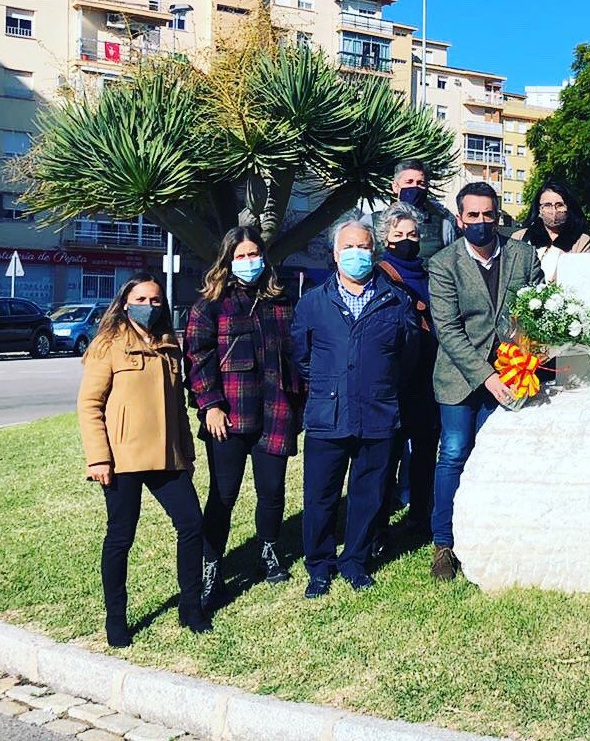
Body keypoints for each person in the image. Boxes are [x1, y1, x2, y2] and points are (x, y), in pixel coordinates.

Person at [290, 216, 418, 597]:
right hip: (327, 415)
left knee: (369, 493)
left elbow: (407, 355)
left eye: (363, 247)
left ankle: (356, 560)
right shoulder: (313, 302)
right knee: (320, 495)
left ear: (374, 252)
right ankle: (319, 565)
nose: (356, 254)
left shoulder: (396, 300)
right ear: (334, 254)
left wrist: (378, 383)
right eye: (348, 247)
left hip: (378, 411)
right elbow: (302, 355)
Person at [77, 274, 205, 646]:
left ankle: (191, 607)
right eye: (141, 298)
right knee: (121, 537)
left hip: (167, 458)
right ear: (125, 301)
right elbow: (89, 405)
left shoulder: (169, 346)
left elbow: (178, 409)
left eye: (155, 300)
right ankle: (116, 620)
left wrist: (186, 453)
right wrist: (98, 458)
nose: (149, 306)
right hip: (121, 460)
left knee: (191, 525)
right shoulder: (108, 345)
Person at [427, 182, 543, 581]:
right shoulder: (444, 264)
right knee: (455, 454)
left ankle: (489, 534)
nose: (480, 222)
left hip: (513, 375)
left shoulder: (524, 256)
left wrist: (524, 362)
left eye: (487, 214)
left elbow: (538, 312)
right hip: (461, 378)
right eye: (472, 215)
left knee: (496, 458)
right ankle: (444, 543)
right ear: (460, 219)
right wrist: (488, 377)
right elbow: (447, 329)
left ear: (498, 216)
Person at [184, 227, 303, 607]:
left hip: (275, 410)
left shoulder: (282, 300)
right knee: (223, 495)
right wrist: (211, 404)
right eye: (241, 256)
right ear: (227, 260)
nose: (249, 262)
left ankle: (268, 552)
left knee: (272, 492)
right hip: (230, 415)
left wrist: (298, 402)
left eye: (255, 254)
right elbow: (197, 358)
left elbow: (298, 355)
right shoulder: (210, 305)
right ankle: (211, 565)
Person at [374, 201, 440, 541]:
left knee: (426, 452)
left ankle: (419, 516)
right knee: (388, 455)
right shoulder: (379, 275)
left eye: (412, 234)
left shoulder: (428, 273)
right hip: (394, 380)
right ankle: (380, 524)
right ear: (386, 238)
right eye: (398, 234)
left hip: (428, 378)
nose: (406, 240)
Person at [365, 160, 456, 260]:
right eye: (409, 182)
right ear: (395, 187)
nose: (414, 187)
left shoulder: (443, 226)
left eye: (420, 183)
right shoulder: (372, 222)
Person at [512, 180, 590, 283]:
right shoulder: (520, 237)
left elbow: (582, 278)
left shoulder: (581, 241)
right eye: (547, 205)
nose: (554, 210)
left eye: (559, 205)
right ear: (539, 209)